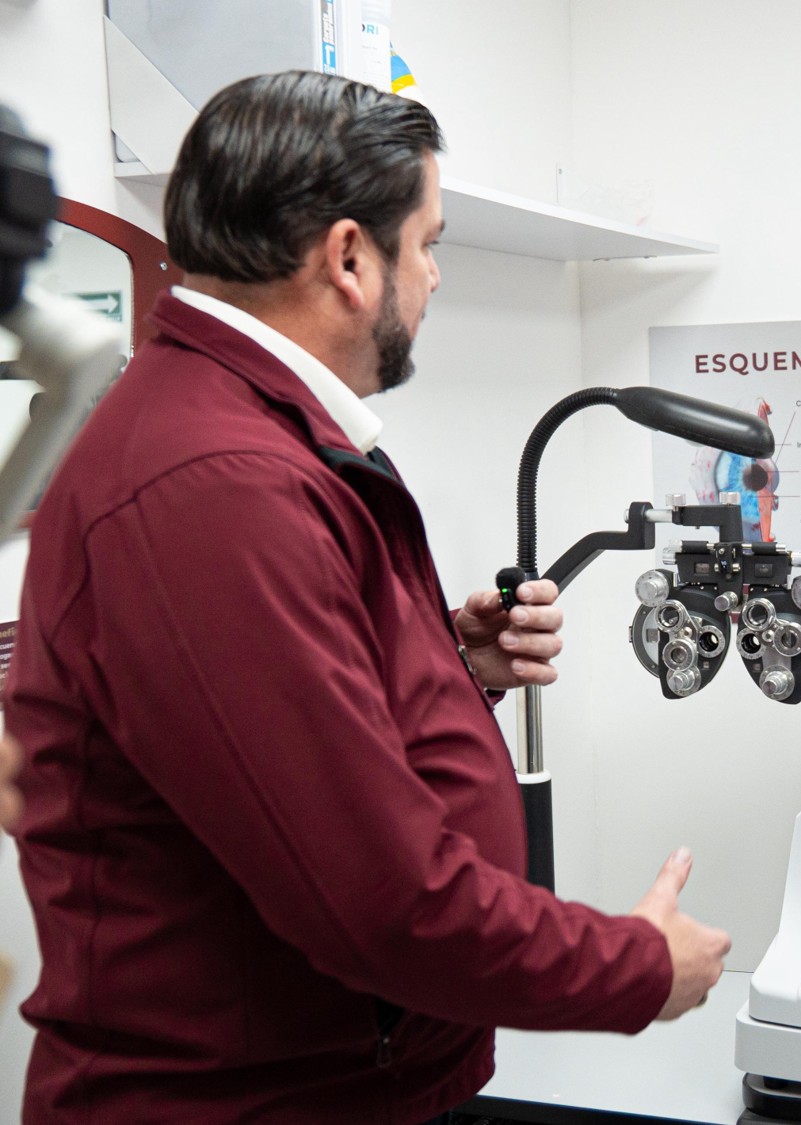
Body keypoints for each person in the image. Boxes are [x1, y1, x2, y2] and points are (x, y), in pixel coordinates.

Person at [2, 72, 729, 1124]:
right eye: (428, 243)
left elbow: (276, 742)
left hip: (347, 1076)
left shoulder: (250, 439)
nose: (435, 279)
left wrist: (442, 665)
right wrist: (636, 968)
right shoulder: (215, 485)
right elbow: (382, 902)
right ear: (349, 259)